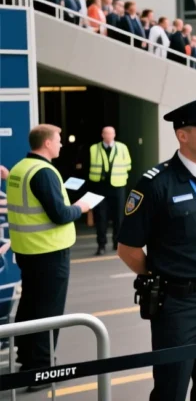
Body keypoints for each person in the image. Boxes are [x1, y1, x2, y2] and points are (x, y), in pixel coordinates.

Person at [117, 97, 196, 401]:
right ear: (182, 135)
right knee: (171, 388)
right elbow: (128, 248)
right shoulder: (156, 183)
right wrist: (163, 276)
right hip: (179, 305)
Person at [7, 125, 93, 389]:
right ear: (46, 143)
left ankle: (26, 358)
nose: (61, 144)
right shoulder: (43, 172)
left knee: (30, 306)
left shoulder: (20, 168)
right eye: (58, 140)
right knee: (49, 312)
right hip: (49, 252)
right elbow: (60, 214)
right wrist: (81, 207)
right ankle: (41, 370)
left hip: (28, 250)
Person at [87, 126, 132, 255]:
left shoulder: (122, 148)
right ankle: (101, 245)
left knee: (119, 216)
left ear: (114, 135)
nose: (108, 136)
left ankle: (117, 243)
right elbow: (87, 166)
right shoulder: (94, 148)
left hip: (118, 186)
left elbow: (128, 165)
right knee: (101, 217)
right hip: (100, 186)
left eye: (111, 133)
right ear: (102, 135)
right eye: (106, 133)